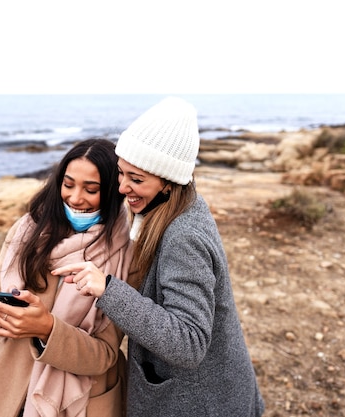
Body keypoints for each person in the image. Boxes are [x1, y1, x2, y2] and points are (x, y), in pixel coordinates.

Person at [52, 98, 265, 416]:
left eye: (137, 179)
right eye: (121, 173)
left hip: (202, 403)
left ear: (169, 182)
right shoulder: (169, 206)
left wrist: (107, 289)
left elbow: (189, 343)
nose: (122, 188)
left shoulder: (184, 236)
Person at [0, 139, 132, 417]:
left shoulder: (127, 254)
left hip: (75, 399)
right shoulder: (27, 230)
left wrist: (47, 329)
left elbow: (105, 354)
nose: (76, 197)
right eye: (68, 185)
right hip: (3, 381)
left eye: (91, 189)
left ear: (113, 193)